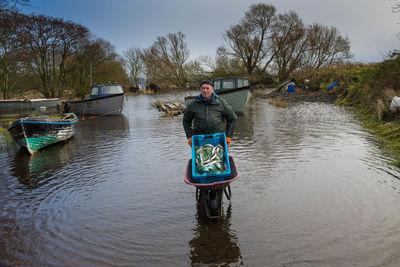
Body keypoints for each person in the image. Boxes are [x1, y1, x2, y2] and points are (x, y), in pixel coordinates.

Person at [183, 80, 237, 146]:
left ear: (212, 89)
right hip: (199, 140)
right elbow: (186, 121)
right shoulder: (193, 104)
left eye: (207, 88)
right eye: (203, 88)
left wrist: (228, 135)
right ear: (200, 90)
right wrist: (189, 136)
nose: (205, 90)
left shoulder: (221, 103)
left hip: (218, 140)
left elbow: (232, 118)